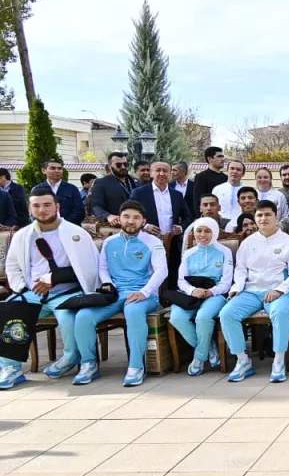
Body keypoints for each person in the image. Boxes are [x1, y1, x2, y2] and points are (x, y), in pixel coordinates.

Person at [0, 187, 100, 389]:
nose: (42, 210)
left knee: (69, 320)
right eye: (36, 205)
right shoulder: (23, 235)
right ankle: (11, 367)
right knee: (10, 312)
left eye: (47, 205)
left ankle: (76, 359)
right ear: (30, 208)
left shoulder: (76, 233)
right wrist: (22, 288)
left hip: (68, 293)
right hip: (33, 293)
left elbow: (88, 269)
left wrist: (55, 278)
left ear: (57, 206)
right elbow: (12, 265)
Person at [72, 201, 167, 386]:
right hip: (115, 293)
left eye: (136, 218)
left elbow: (161, 270)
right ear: (119, 218)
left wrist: (144, 292)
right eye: (126, 216)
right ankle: (88, 364)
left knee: (132, 311)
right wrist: (107, 283)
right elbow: (103, 268)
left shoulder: (153, 242)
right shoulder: (110, 242)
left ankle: (136, 366)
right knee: (83, 316)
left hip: (143, 294)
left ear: (143, 221)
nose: (131, 221)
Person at [220, 200, 289, 383]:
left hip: (278, 291)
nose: (263, 218)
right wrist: (236, 288)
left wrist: (279, 290)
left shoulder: (288, 242)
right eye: (259, 215)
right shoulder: (248, 243)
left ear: (277, 217)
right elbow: (241, 270)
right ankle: (243, 360)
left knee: (280, 313)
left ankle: (279, 360)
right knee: (227, 313)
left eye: (268, 214)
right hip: (250, 291)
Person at [169, 217, 233, 376]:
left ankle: (199, 357)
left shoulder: (225, 252)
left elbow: (227, 282)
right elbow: (181, 280)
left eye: (207, 231)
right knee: (176, 318)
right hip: (191, 293)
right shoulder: (189, 253)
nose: (202, 235)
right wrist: (192, 291)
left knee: (203, 317)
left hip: (215, 294)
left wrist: (212, 291)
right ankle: (208, 347)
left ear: (215, 232)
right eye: (199, 231)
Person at [129, 162, 192, 236]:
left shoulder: (177, 195)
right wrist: (145, 226)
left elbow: (188, 217)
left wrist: (181, 228)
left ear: (169, 174)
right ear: (151, 173)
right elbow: (129, 214)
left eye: (165, 171)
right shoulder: (139, 193)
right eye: (158, 170)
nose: (161, 174)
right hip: (146, 239)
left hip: (171, 242)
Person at [35, 159, 84, 225]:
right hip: (45, 228)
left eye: (59, 168)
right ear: (44, 170)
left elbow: (79, 210)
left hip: (69, 228)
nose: (57, 171)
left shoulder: (72, 189)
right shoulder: (37, 189)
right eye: (53, 168)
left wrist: (63, 224)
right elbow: (34, 212)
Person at [193, 147, 227, 217]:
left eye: (223, 156)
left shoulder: (226, 178)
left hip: (225, 217)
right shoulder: (201, 177)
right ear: (210, 158)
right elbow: (197, 201)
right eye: (219, 156)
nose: (223, 159)